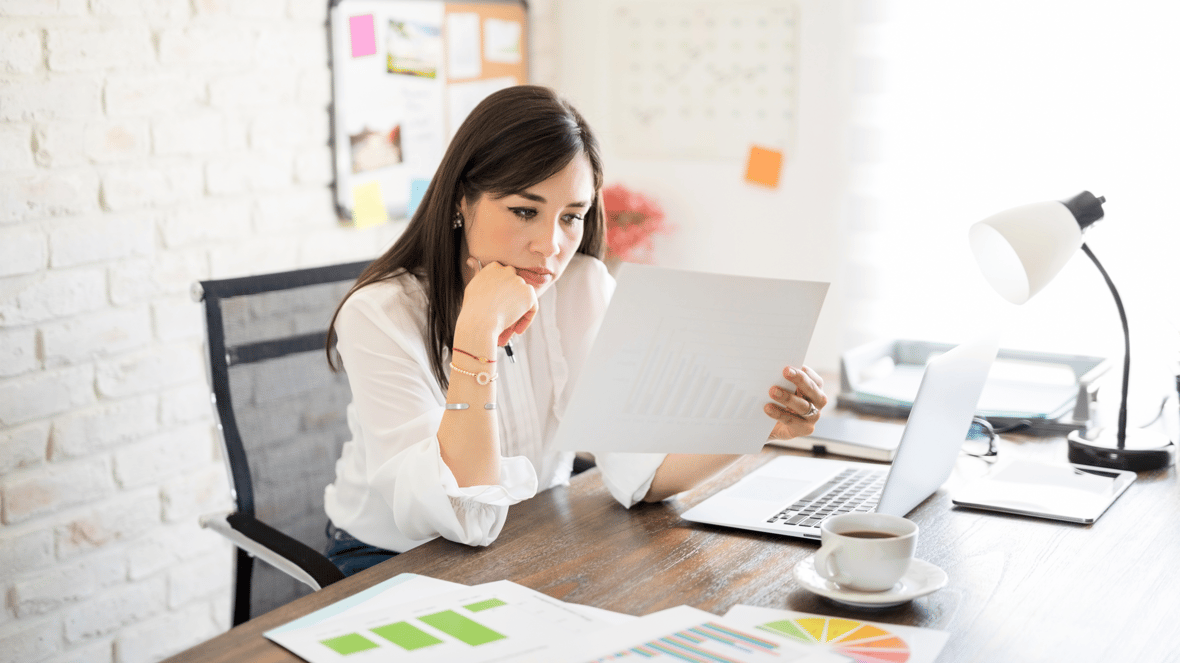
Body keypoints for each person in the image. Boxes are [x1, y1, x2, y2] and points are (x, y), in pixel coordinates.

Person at [322, 85, 827, 576]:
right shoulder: (380, 314)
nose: (551, 245)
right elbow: (463, 517)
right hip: (392, 561)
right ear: (461, 201)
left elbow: (641, 474)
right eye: (524, 211)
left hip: (526, 541)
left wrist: (755, 424)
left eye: (572, 217)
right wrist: (476, 333)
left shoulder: (581, 287)